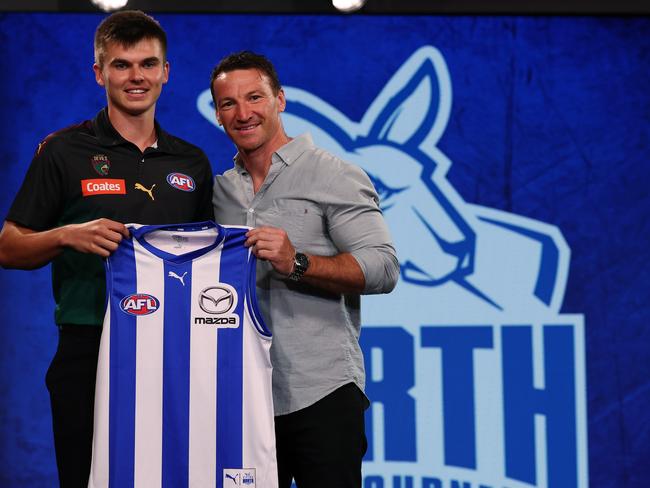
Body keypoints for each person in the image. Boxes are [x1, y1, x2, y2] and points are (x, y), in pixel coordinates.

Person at [0, 11, 213, 488]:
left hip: (173, 348)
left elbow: (207, 260)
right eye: (121, 65)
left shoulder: (192, 162)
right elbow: (9, 247)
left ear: (166, 72)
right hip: (88, 344)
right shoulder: (62, 150)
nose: (136, 77)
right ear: (99, 73)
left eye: (147, 64)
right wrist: (65, 235)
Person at [210, 51, 399, 488]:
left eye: (254, 97)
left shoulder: (334, 175)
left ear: (280, 99)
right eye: (228, 104)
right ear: (218, 115)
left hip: (322, 392)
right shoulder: (219, 191)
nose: (243, 113)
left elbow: (383, 267)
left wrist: (297, 261)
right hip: (242, 399)